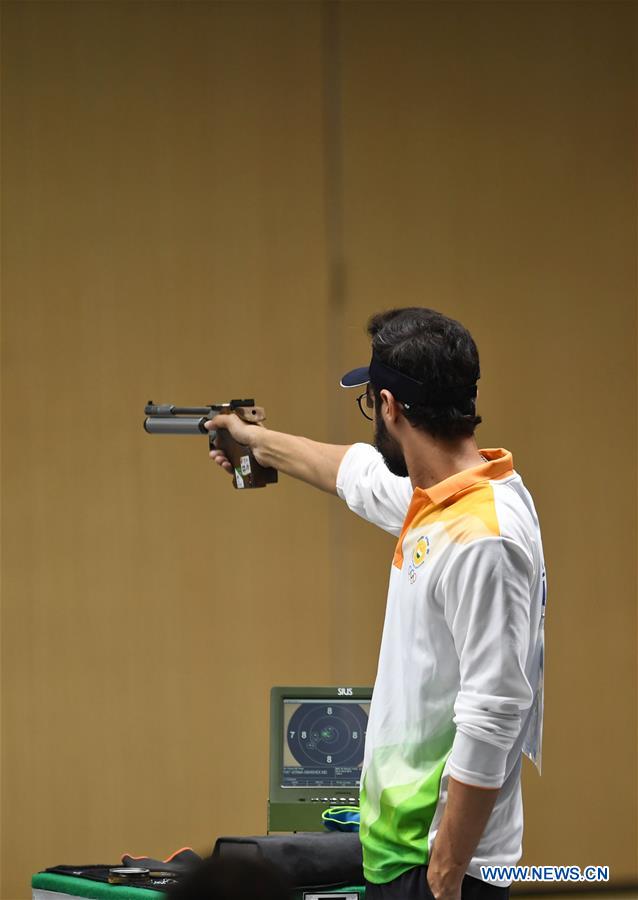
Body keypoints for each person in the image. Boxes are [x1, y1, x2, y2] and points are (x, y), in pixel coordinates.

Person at [206, 308, 546, 900]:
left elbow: (494, 714)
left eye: (369, 403)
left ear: (389, 406)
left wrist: (445, 876)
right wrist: (256, 440)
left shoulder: (481, 535)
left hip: (440, 868)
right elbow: (354, 474)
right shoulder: (445, 503)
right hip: (405, 857)